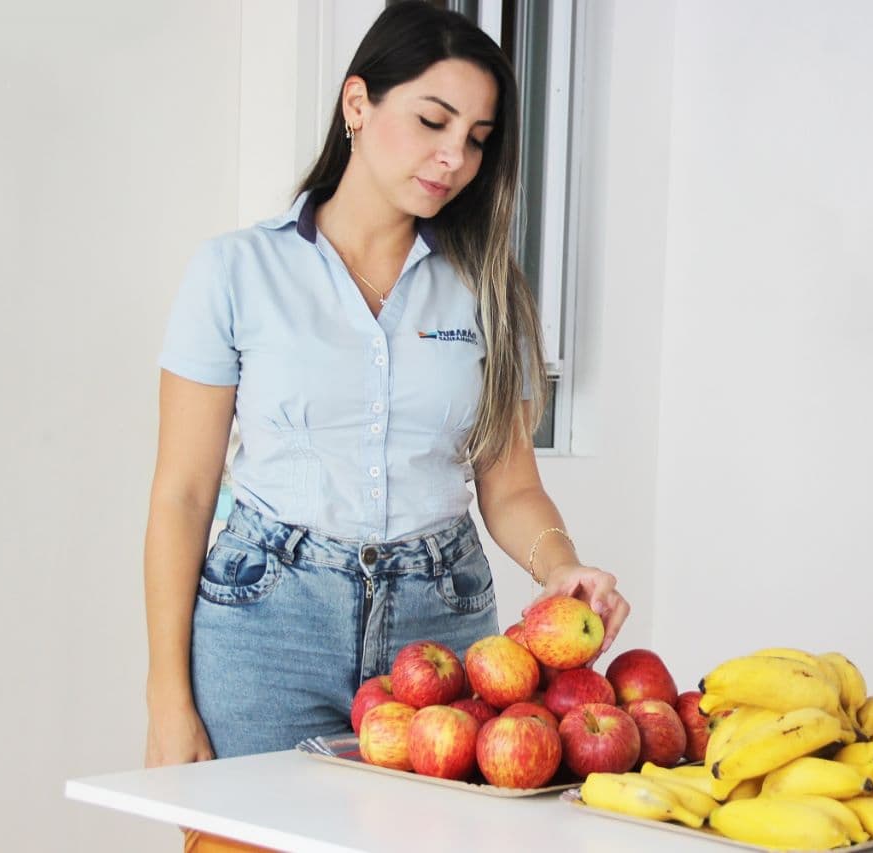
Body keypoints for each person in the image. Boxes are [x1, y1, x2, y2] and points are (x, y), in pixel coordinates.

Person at [144, 0, 629, 784]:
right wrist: (167, 693)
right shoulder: (235, 272)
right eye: (432, 121)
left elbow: (509, 486)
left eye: (476, 139)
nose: (453, 158)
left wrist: (560, 567)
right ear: (357, 104)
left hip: (441, 623)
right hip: (267, 627)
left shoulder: (488, 289)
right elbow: (183, 492)